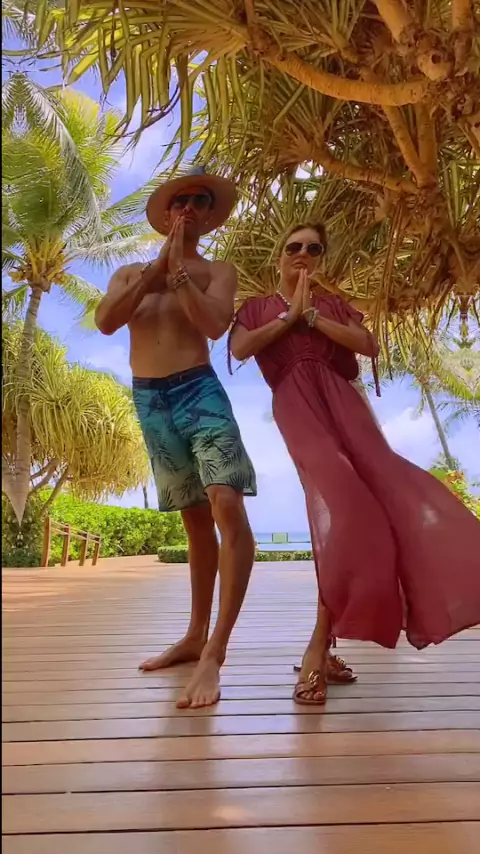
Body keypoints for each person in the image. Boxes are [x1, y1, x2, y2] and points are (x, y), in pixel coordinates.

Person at [229, 220, 480, 706]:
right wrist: (288, 318)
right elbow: (240, 348)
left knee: (384, 496)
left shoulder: (333, 305)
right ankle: (316, 648)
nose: (304, 254)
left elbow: (368, 345)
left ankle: (322, 646)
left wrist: (313, 318)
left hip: (343, 403)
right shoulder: (256, 308)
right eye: (295, 246)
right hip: (296, 402)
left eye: (314, 249)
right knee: (345, 505)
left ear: (321, 258)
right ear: (279, 255)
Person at [95, 166, 257, 709]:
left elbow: (214, 326)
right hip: (150, 398)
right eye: (180, 200)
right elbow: (106, 322)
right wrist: (154, 274)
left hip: (198, 390)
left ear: (209, 216)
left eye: (200, 200)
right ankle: (193, 635)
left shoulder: (218, 271)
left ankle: (215, 650)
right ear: (166, 214)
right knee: (193, 517)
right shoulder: (128, 273)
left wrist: (181, 276)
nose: (189, 206)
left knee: (226, 501)